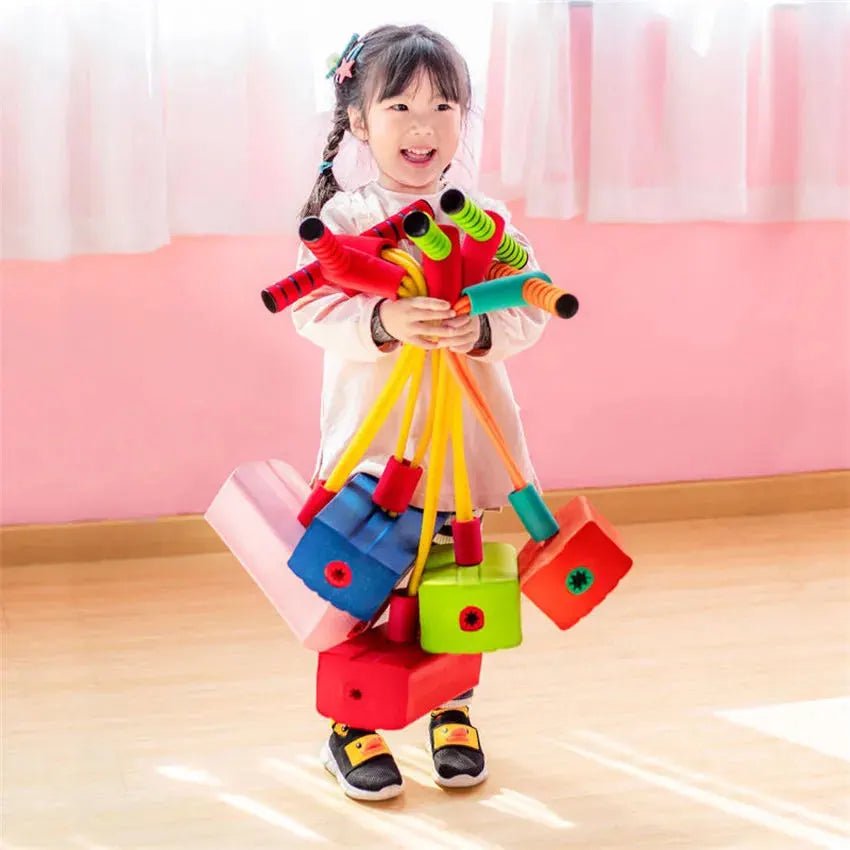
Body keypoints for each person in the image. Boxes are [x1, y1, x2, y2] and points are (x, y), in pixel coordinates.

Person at [291, 24, 549, 802]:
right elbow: (311, 310)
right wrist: (383, 321)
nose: (423, 125)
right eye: (400, 106)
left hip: (459, 452)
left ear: (463, 120)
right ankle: (350, 723)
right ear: (360, 120)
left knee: (452, 586)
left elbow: (530, 304)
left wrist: (482, 329)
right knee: (360, 586)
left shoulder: (485, 218)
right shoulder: (343, 221)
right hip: (371, 452)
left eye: (444, 107)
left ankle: (452, 707)